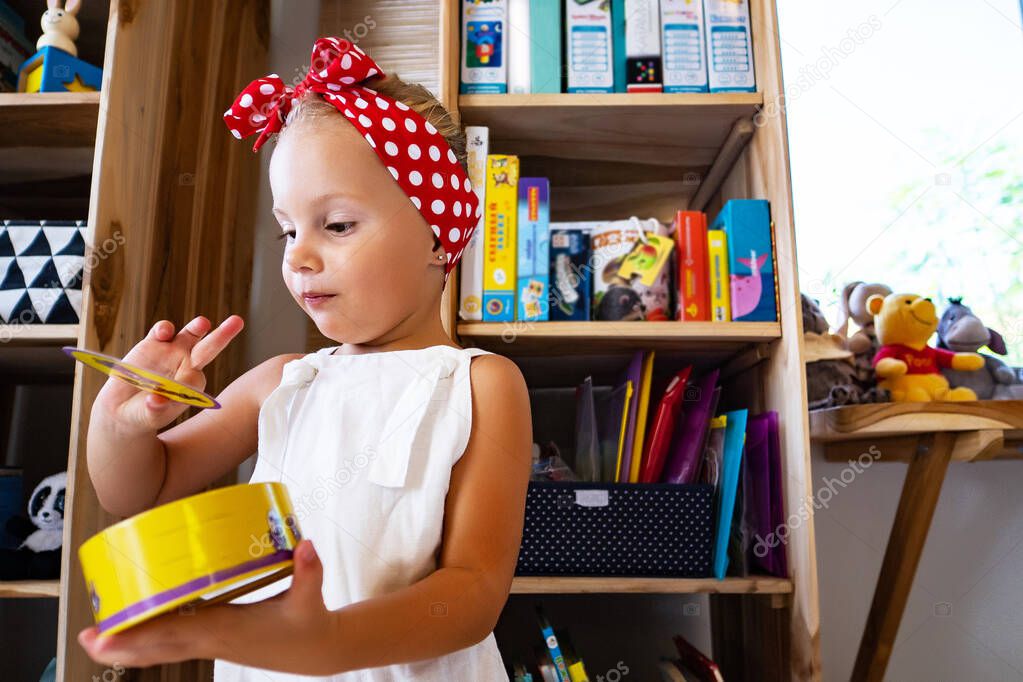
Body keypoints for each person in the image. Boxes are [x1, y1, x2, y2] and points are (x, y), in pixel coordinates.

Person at [77, 37, 532, 680]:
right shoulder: (283, 383)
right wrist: (121, 423)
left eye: (337, 226)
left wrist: (326, 643)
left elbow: (474, 593)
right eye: (289, 229)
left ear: (438, 234)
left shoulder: (480, 385)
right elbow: (135, 490)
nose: (298, 256)